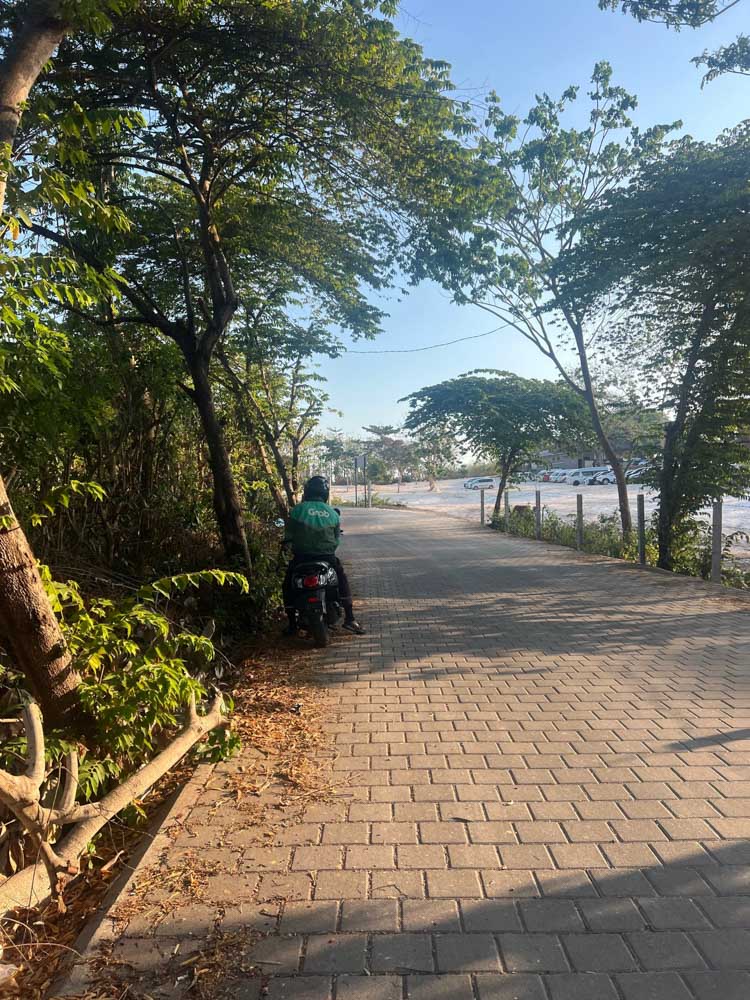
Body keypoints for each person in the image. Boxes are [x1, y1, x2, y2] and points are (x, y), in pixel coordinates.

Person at [282, 475, 365, 635]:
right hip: (326, 557)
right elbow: (336, 538)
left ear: (306, 492)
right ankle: (350, 618)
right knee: (341, 579)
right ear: (325, 494)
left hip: (301, 557)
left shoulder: (297, 510)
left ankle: (292, 624)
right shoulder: (332, 513)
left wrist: (289, 543)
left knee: (288, 584)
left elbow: (289, 535)